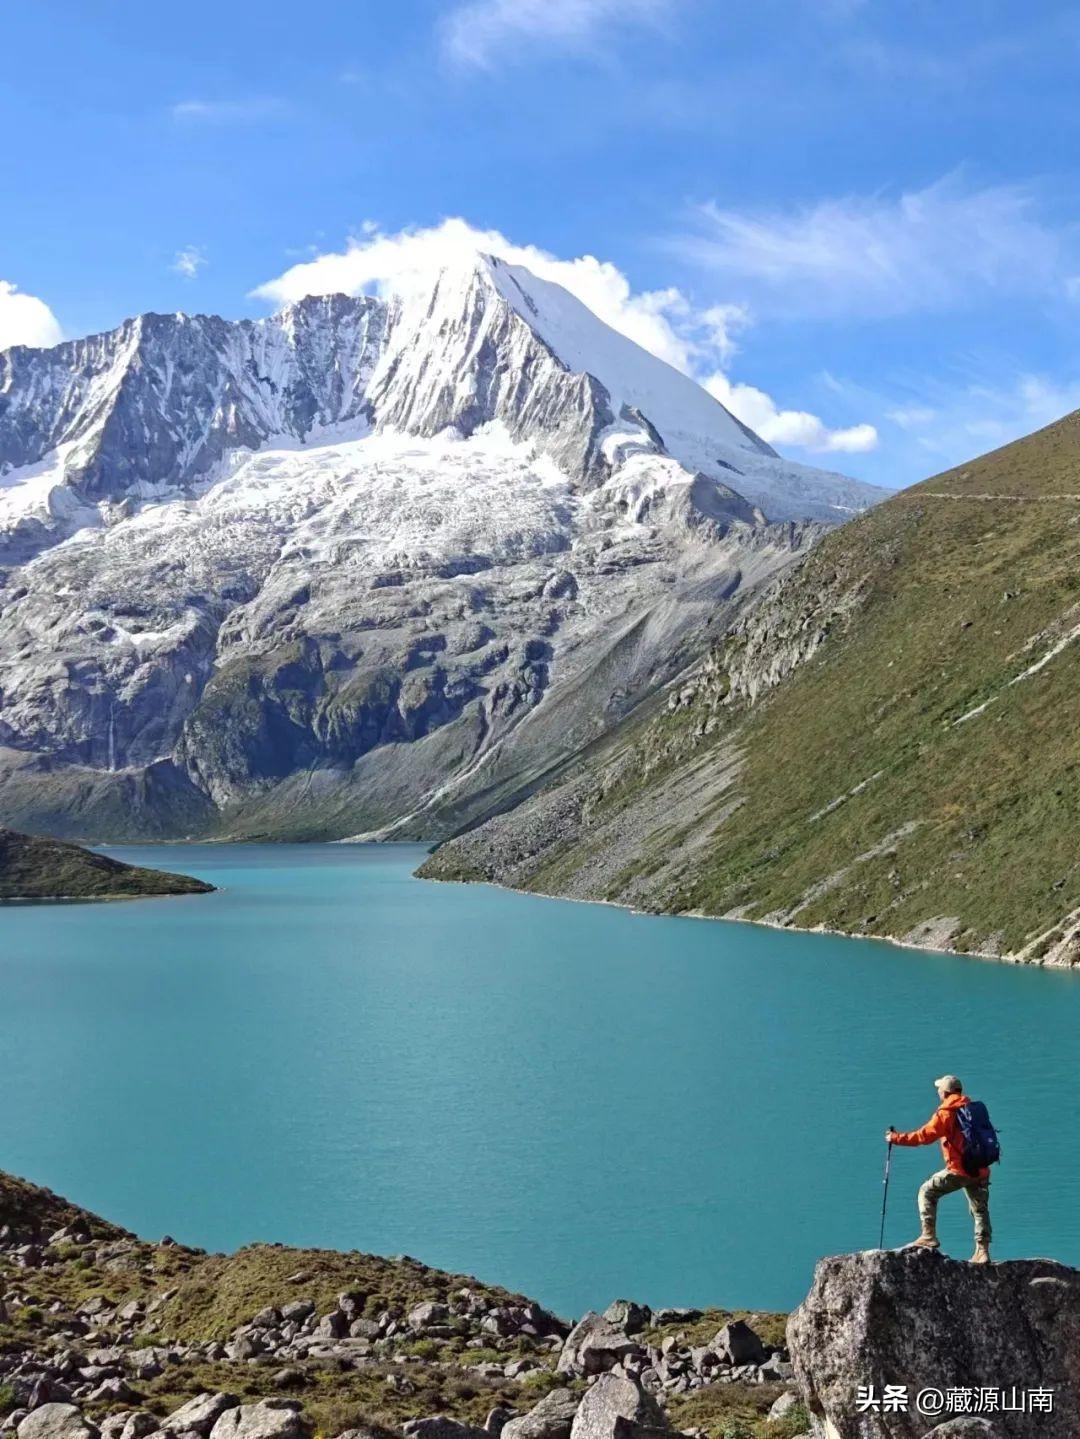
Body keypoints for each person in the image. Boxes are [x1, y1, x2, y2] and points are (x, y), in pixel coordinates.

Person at [885, 1074, 991, 1264]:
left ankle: (928, 1236)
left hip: (959, 1170)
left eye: (939, 1089)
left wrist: (896, 1138)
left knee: (927, 1191)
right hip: (980, 1168)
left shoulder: (946, 1112)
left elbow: (924, 1136)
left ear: (946, 1091)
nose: (937, 1092)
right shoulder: (972, 1108)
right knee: (979, 1209)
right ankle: (982, 1251)